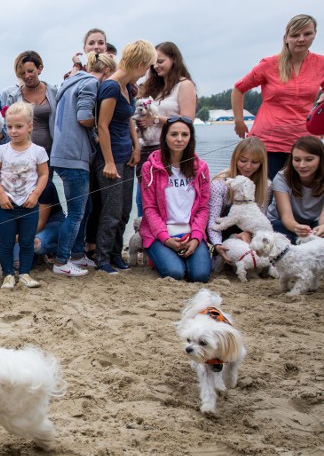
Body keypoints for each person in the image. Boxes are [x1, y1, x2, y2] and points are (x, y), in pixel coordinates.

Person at [232, 14, 324, 180]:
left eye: (307, 34)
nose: (301, 39)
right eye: (295, 35)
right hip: (268, 141)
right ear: (286, 38)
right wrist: (239, 120)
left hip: (305, 143)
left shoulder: (321, 64)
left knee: (301, 195)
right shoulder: (269, 64)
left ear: (314, 35)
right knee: (266, 193)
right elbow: (239, 89)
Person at [50, 52, 117, 276]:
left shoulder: (70, 82)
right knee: (76, 212)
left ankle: (78, 254)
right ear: (107, 71)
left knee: (85, 207)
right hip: (74, 155)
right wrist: (103, 125)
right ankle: (61, 261)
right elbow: (83, 117)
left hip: (62, 151)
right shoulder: (89, 83)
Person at [94, 40, 156, 274]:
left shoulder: (127, 87)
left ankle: (115, 254)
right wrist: (109, 161)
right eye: (147, 67)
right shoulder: (111, 86)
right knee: (110, 212)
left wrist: (136, 146)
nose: (146, 73)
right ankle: (102, 259)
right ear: (140, 64)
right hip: (111, 157)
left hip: (127, 154)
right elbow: (102, 125)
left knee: (124, 211)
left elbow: (128, 118)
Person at [139, 116, 211, 282]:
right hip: (161, 233)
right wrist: (165, 239)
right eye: (174, 134)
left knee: (199, 275)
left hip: (190, 232)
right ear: (165, 137)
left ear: (190, 138)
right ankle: (158, 254)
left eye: (184, 135)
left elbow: (202, 208)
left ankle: (189, 255)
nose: (179, 139)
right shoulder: (149, 168)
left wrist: (196, 237)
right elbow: (149, 208)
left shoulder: (201, 168)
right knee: (175, 273)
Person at [0, 102, 48, 290]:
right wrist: (0, 194)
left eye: (18, 127)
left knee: (26, 242)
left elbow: (44, 175)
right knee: (6, 243)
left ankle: (24, 273)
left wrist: (36, 194)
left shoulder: (38, 151)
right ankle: (8, 274)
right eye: (9, 127)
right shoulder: (1, 150)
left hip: (29, 206)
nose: (13, 131)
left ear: (30, 126)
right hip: (7, 205)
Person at [208, 137, 270, 266]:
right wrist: (217, 244)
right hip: (221, 230)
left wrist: (247, 233)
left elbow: (260, 218)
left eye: (255, 162)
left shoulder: (266, 185)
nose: (248, 166)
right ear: (235, 159)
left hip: (248, 229)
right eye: (243, 161)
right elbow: (213, 219)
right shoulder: (220, 183)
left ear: (261, 164)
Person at [136, 42, 197, 170]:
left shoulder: (184, 85)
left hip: (168, 150)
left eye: (160, 61)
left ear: (174, 59)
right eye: (153, 63)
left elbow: (187, 120)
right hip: (145, 148)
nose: (156, 66)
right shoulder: (152, 88)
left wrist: (155, 120)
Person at [0, 51, 58, 157]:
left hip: (50, 152)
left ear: (39, 69)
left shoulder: (54, 92)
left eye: (30, 71)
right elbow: (6, 126)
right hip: (22, 154)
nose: (27, 76)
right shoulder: (12, 97)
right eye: (22, 73)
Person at [267, 136, 324, 241]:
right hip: (283, 223)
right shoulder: (282, 177)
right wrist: (297, 228)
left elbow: (322, 220)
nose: (302, 165)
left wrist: (322, 228)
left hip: (313, 222)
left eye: (309, 159)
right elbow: (286, 217)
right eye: (297, 160)